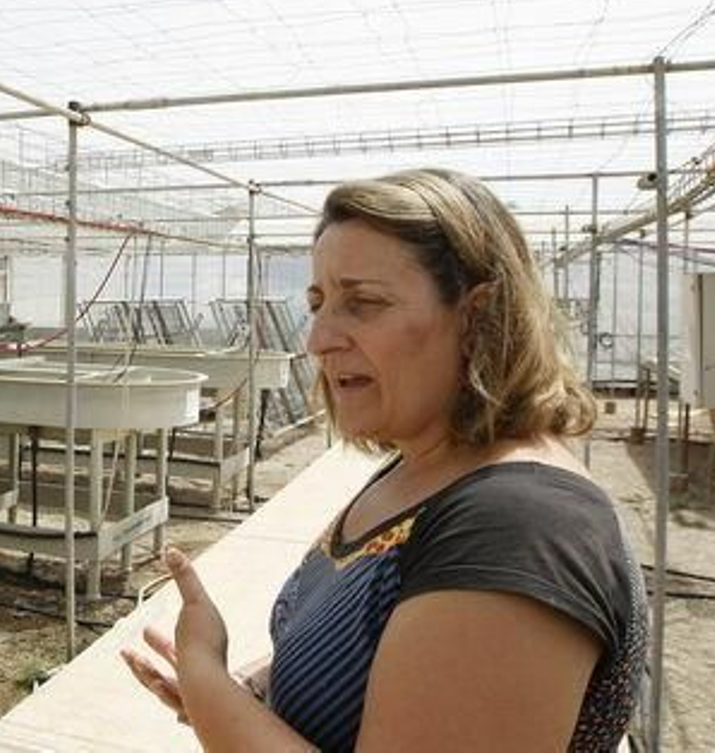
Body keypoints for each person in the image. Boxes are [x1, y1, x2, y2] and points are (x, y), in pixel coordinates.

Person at [122, 168, 646, 751]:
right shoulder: (421, 470)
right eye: (318, 302)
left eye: (364, 303)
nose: (318, 339)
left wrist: (204, 677)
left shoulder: (522, 529)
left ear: (478, 318)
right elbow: (371, 656)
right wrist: (246, 693)